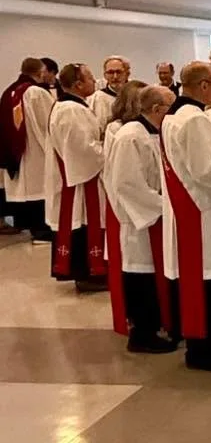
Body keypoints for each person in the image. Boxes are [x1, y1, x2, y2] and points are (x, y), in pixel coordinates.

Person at [160, 61, 211, 372]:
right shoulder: (194, 119)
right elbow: (209, 167)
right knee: (210, 279)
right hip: (202, 207)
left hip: (189, 202)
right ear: (205, 86)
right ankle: (204, 349)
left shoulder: (173, 115)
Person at [103, 85, 177, 352]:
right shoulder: (130, 136)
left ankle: (163, 324)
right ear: (157, 109)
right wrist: (164, 205)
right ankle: (142, 334)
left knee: (157, 274)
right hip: (141, 221)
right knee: (142, 275)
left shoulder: (155, 133)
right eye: (171, 108)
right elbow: (126, 183)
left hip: (158, 215)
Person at [45, 63, 107, 293]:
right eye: (90, 78)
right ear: (78, 84)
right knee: (84, 222)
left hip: (79, 175)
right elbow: (83, 150)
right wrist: (107, 148)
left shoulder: (71, 106)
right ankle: (90, 274)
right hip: (81, 181)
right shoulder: (71, 110)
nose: (94, 81)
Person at [0, 58, 54, 242]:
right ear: (40, 73)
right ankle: (41, 230)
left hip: (16, 151)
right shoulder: (36, 93)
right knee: (38, 190)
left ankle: (26, 224)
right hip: (33, 150)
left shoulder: (9, 91)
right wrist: (52, 149)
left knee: (26, 191)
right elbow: (48, 123)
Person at [88, 56, 130, 135]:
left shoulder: (137, 95)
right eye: (110, 72)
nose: (115, 76)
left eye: (119, 72)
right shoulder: (98, 98)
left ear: (127, 74)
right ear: (105, 75)